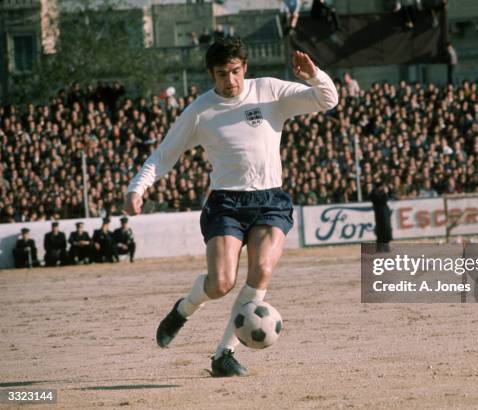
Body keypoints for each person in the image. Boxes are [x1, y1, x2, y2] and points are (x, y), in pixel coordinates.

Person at [124, 37, 338, 377]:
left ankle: (224, 353)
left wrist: (315, 76)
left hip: (270, 200)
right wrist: (138, 188)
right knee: (221, 283)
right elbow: (164, 155)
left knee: (262, 271)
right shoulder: (199, 111)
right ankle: (184, 308)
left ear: (245, 68)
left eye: (235, 72)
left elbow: (327, 100)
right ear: (211, 74)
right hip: (226, 203)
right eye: (222, 74)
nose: (231, 81)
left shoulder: (268, 90)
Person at [370, 182, 393, 252]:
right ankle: (380, 247)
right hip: (380, 214)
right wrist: (385, 193)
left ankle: (386, 246)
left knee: (386, 230)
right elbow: (383, 200)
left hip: (385, 214)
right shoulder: (374, 193)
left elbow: (389, 196)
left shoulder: (380, 193)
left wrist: (387, 191)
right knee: (381, 231)